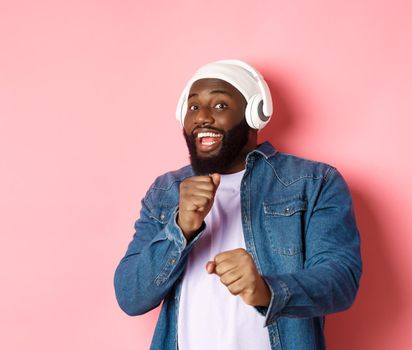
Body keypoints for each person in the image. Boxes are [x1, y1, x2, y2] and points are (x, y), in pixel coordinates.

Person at [114, 59, 362, 350]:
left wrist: (266, 291)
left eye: (220, 105)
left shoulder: (315, 181)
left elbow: (340, 281)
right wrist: (180, 228)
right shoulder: (166, 191)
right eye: (193, 107)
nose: (202, 117)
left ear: (254, 114)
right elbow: (131, 296)